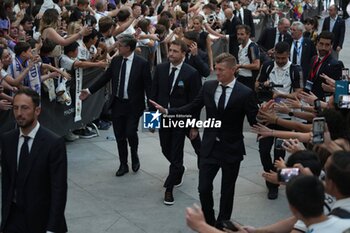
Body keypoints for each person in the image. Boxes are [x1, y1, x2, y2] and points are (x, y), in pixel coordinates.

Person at [150, 53, 258, 228]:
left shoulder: (245, 93)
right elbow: (192, 106)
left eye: (221, 69)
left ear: (233, 70)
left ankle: (222, 224)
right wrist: (167, 111)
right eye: (216, 68)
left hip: (231, 148)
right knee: (204, 188)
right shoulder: (208, 87)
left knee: (227, 191)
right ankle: (208, 222)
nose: (217, 72)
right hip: (209, 147)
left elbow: (254, 121)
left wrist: (267, 117)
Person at [80, 34, 152, 176]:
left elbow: (149, 88)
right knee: (119, 135)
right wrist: (89, 91)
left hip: (134, 105)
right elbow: (105, 78)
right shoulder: (116, 61)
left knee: (131, 132)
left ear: (128, 48)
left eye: (120, 45)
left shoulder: (142, 63)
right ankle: (123, 164)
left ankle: (134, 154)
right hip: (118, 103)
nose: (117, 47)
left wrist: (152, 116)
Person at [0, 88, 68, 233]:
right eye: (16, 108)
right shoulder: (7, 140)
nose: (19, 113)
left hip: (42, 220)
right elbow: (6, 183)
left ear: (37, 111)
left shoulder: (53, 143)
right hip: (14, 219)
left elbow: (59, 190)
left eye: (25, 108)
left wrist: (52, 228)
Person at [149, 39, 202, 205]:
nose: (170, 54)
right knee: (166, 149)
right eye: (170, 50)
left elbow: (196, 102)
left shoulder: (191, 73)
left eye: (175, 51)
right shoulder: (161, 68)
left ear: (183, 54)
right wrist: (151, 120)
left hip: (181, 119)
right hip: (164, 118)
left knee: (176, 152)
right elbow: (154, 94)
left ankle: (169, 188)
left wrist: (194, 125)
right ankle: (179, 169)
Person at [255, 41, 303, 199]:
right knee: (263, 151)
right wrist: (264, 86)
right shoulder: (268, 66)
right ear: (274, 54)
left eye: (283, 58)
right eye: (278, 57)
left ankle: (275, 184)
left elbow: (299, 94)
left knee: (279, 153)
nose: (280, 61)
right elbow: (256, 85)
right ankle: (271, 178)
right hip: (267, 115)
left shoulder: (296, 69)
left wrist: (280, 95)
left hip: (285, 118)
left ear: (288, 54)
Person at [305, 31, 343, 100]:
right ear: (317, 43)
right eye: (321, 44)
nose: (323, 48)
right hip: (309, 99)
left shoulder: (336, 65)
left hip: (325, 103)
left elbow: (342, 89)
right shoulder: (313, 59)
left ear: (331, 46)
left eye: (327, 45)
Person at [236, 25, 260, 91]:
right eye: (238, 34)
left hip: (249, 80)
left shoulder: (252, 47)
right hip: (241, 77)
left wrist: (240, 66)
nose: (239, 37)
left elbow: (256, 65)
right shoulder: (240, 47)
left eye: (242, 34)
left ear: (248, 34)